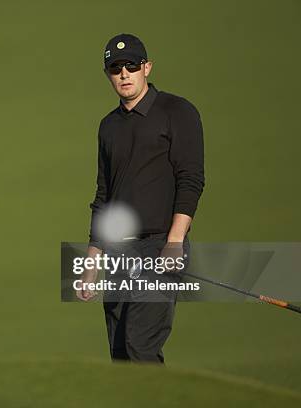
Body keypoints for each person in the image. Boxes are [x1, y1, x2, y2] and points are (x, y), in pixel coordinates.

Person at [75, 33, 205, 363]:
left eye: (131, 66)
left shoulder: (177, 111)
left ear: (147, 67)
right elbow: (103, 197)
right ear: (108, 74)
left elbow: (190, 180)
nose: (123, 74)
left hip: (160, 245)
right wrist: (92, 263)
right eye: (115, 68)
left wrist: (175, 242)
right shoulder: (108, 127)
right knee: (120, 355)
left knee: (140, 346)